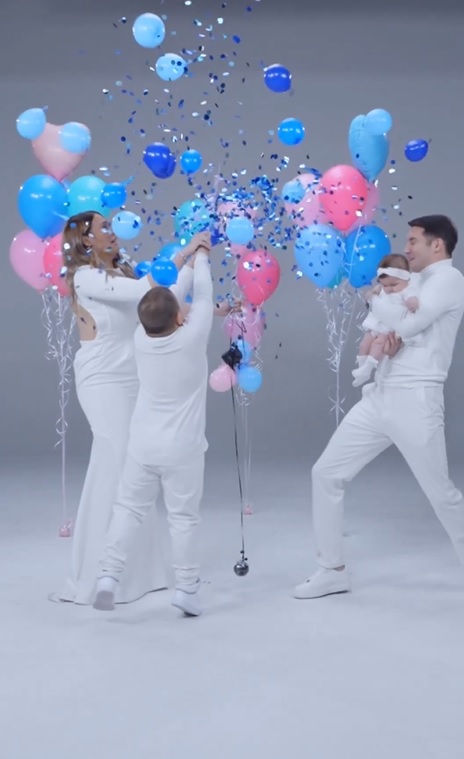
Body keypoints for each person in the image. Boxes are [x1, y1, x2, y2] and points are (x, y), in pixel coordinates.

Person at [52, 212, 230, 605]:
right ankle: (94, 575)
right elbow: (144, 292)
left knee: (134, 474)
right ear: (85, 240)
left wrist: (214, 308)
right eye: (104, 228)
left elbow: (159, 305)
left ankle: (136, 574)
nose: (113, 231)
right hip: (103, 379)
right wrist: (190, 252)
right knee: (115, 464)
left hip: (134, 374)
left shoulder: (124, 270)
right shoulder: (85, 278)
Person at [294, 215, 464, 599]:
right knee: (326, 474)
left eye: (414, 240)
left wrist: (380, 305)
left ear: (437, 245)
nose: (407, 247)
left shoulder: (449, 279)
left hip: (416, 400)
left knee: (441, 494)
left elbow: (409, 324)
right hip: (379, 395)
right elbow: (393, 320)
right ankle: (332, 570)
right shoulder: (412, 279)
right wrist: (390, 317)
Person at [92, 243, 214, 617]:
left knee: (128, 509)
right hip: (183, 449)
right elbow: (203, 297)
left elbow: (167, 300)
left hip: (143, 446)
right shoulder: (192, 337)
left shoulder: (141, 338)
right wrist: (202, 256)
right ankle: (187, 590)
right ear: (179, 317)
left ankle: (108, 577)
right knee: (183, 518)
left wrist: (188, 261)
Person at [352, 253, 420, 387]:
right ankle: (361, 370)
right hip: (375, 323)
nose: (388, 289)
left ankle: (367, 369)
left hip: (388, 327)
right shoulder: (383, 287)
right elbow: (373, 292)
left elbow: (411, 298)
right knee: (364, 344)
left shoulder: (407, 289)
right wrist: (371, 294)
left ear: (405, 278)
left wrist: (412, 303)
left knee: (378, 345)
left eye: (393, 285)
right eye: (385, 285)